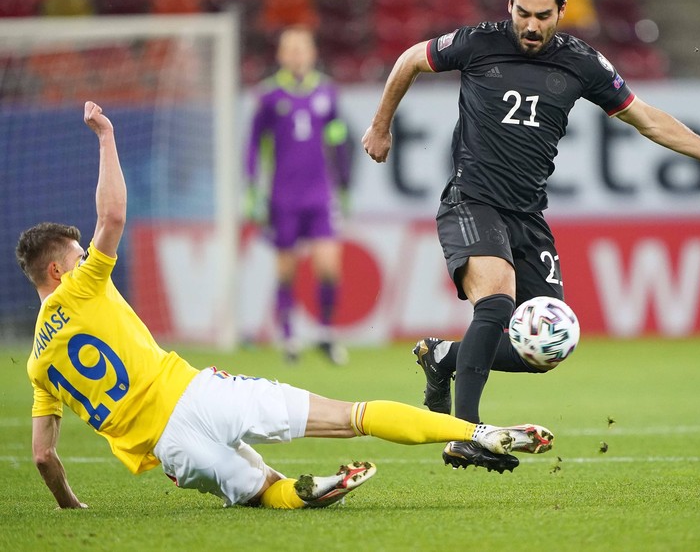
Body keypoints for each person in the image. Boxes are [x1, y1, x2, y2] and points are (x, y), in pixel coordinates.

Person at [16, 102, 555, 511]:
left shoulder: (38, 366)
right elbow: (111, 218)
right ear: (59, 270)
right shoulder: (81, 287)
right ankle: (475, 431)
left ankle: (302, 492)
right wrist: (107, 137)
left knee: (264, 492)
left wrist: (69, 504)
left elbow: (43, 456)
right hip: (199, 394)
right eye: (78, 254)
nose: (88, 255)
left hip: (170, 448)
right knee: (352, 417)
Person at [362, 0, 700, 472]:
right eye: (521, 13)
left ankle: (444, 358)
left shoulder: (582, 63)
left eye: (542, 15)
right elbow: (408, 60)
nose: (530, 26)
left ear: (562, 10)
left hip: (528, 215)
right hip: (472, 201)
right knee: (494, 302)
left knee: (550, 342)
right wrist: (381, 127)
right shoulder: (477, 42)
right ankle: (464, 433)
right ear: (509, 5)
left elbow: (646, 119)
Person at [245, 26, 353, 365]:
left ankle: (325, 333)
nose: (295, 55)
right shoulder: (269, 97)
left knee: (329, 267)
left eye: (301, 49)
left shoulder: (327, 93)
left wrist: (345, 182)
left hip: (320, 195)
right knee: (286, 269)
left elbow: (337, 136)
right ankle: (289, 337)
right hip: (283, 197)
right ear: (280, 55)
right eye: (289, 49)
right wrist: (252, 191)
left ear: (312, 53)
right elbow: (252, 145)